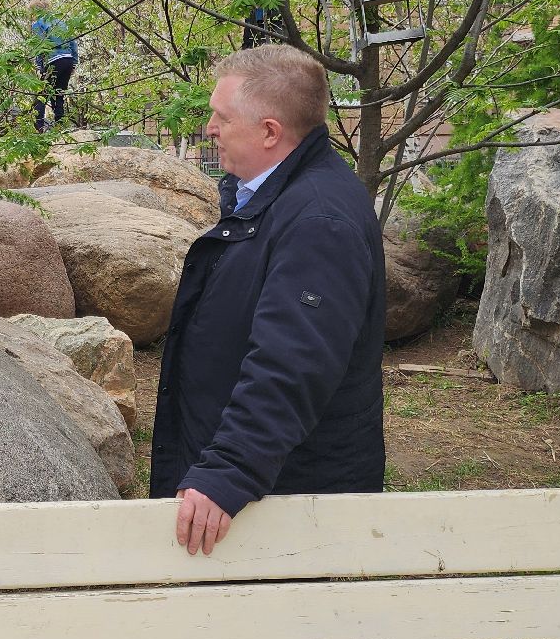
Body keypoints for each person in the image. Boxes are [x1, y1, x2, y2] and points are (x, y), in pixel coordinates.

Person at [150, 44, 385, 555]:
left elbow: (292, 363)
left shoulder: (319, 221)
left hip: (290, 512)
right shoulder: (273, 198)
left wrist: (229, 470)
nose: (210, 128)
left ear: (270, 131)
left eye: (221, 116)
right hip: (266, 497)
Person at [30, 12, 78, 132]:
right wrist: (74, 62)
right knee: (58, 95)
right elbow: (73, 42)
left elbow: (40, 46)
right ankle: (60, 126)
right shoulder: (61, 22)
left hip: (53, 60)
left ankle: (39, 128)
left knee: (42, 95)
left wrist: (41, 67)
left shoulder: (38, 24)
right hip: (68, 60)